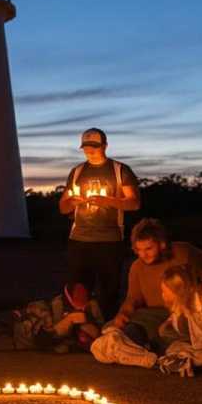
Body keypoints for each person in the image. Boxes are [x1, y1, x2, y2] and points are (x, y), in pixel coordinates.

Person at [58, 128, 141, 319]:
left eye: (94, 146)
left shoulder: (120, 170)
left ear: (105, 146)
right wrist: (72, 202)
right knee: (77, 289)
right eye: (86, 147)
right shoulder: (77, 171)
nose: (90, 151)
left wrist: (109, 201)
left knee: (108, 289)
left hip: (110, 240)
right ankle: (79, 328)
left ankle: (108, 329)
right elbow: (62, 207)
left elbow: (134, 203)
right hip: (78, 239)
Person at [109, 219, 202, 348]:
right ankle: (131, 339)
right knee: (114, 326)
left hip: (186, 310)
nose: (143, 254)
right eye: (139, 249)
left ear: (162, 244)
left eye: (149, 248)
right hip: (155, 313)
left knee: (159, 329)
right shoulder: (137, 267)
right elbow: (133, 298)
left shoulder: (182, 253)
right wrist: (123, 313)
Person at [12, 282, 103, 353]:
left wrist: (89, 323)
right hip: (28, 337)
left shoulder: (92, 307)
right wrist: (68, 320)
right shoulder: (48, 311)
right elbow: (41, 340)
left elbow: (98, 333)